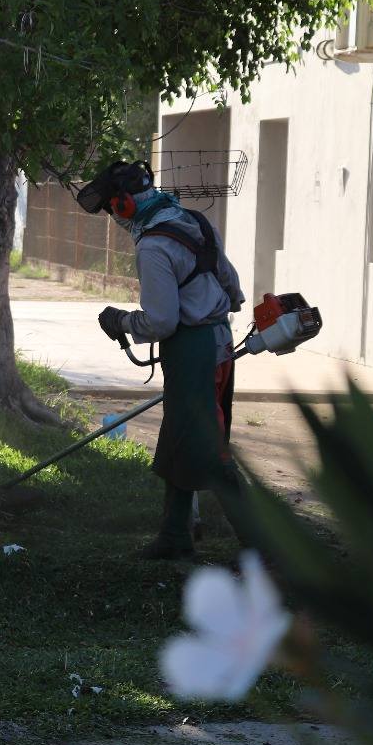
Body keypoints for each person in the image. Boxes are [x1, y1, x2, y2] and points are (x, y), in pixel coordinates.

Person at [77, 160, 246, 559]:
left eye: (111, 209)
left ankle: (268, 547)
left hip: (194, 351)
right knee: (179, 440)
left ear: (123, 206)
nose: (112, 217)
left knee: (210, 450)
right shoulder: (193, 222)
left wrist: (120, 320)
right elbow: (231, 285)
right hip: (216, 343)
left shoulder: (153, 246)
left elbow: (162, 321)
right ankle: (174, 537)